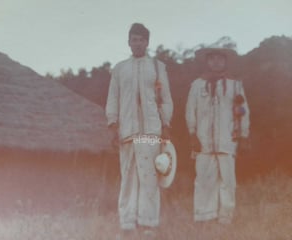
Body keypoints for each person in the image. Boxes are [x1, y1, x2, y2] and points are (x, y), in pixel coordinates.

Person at [106, 23, 173, 237]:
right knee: (128, 177)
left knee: (149, 176)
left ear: (147, 42)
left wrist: (166, 125)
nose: (137, 43)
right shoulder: (119, 69)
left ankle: (148, 224)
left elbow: (165, 99)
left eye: (141, 39)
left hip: (151, 131)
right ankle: (127, 224)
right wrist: (113, 125)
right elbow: (113, 99)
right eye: (133, 39)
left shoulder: (157, 67)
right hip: (127, 131)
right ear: (128, 42)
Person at [185, 46, 250, 224]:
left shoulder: (235, 85)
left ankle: (225, 219)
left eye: (220, 59)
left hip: (227, 140)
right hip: (203, 141)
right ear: (206, 62)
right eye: (212, 59)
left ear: (225, 61)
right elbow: (191, 111)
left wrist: (243, 136)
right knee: (204, 180)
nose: (216, 62)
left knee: (227, 181)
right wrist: (192, 135)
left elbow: (243, 112)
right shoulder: (197, 85)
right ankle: (204, 217)